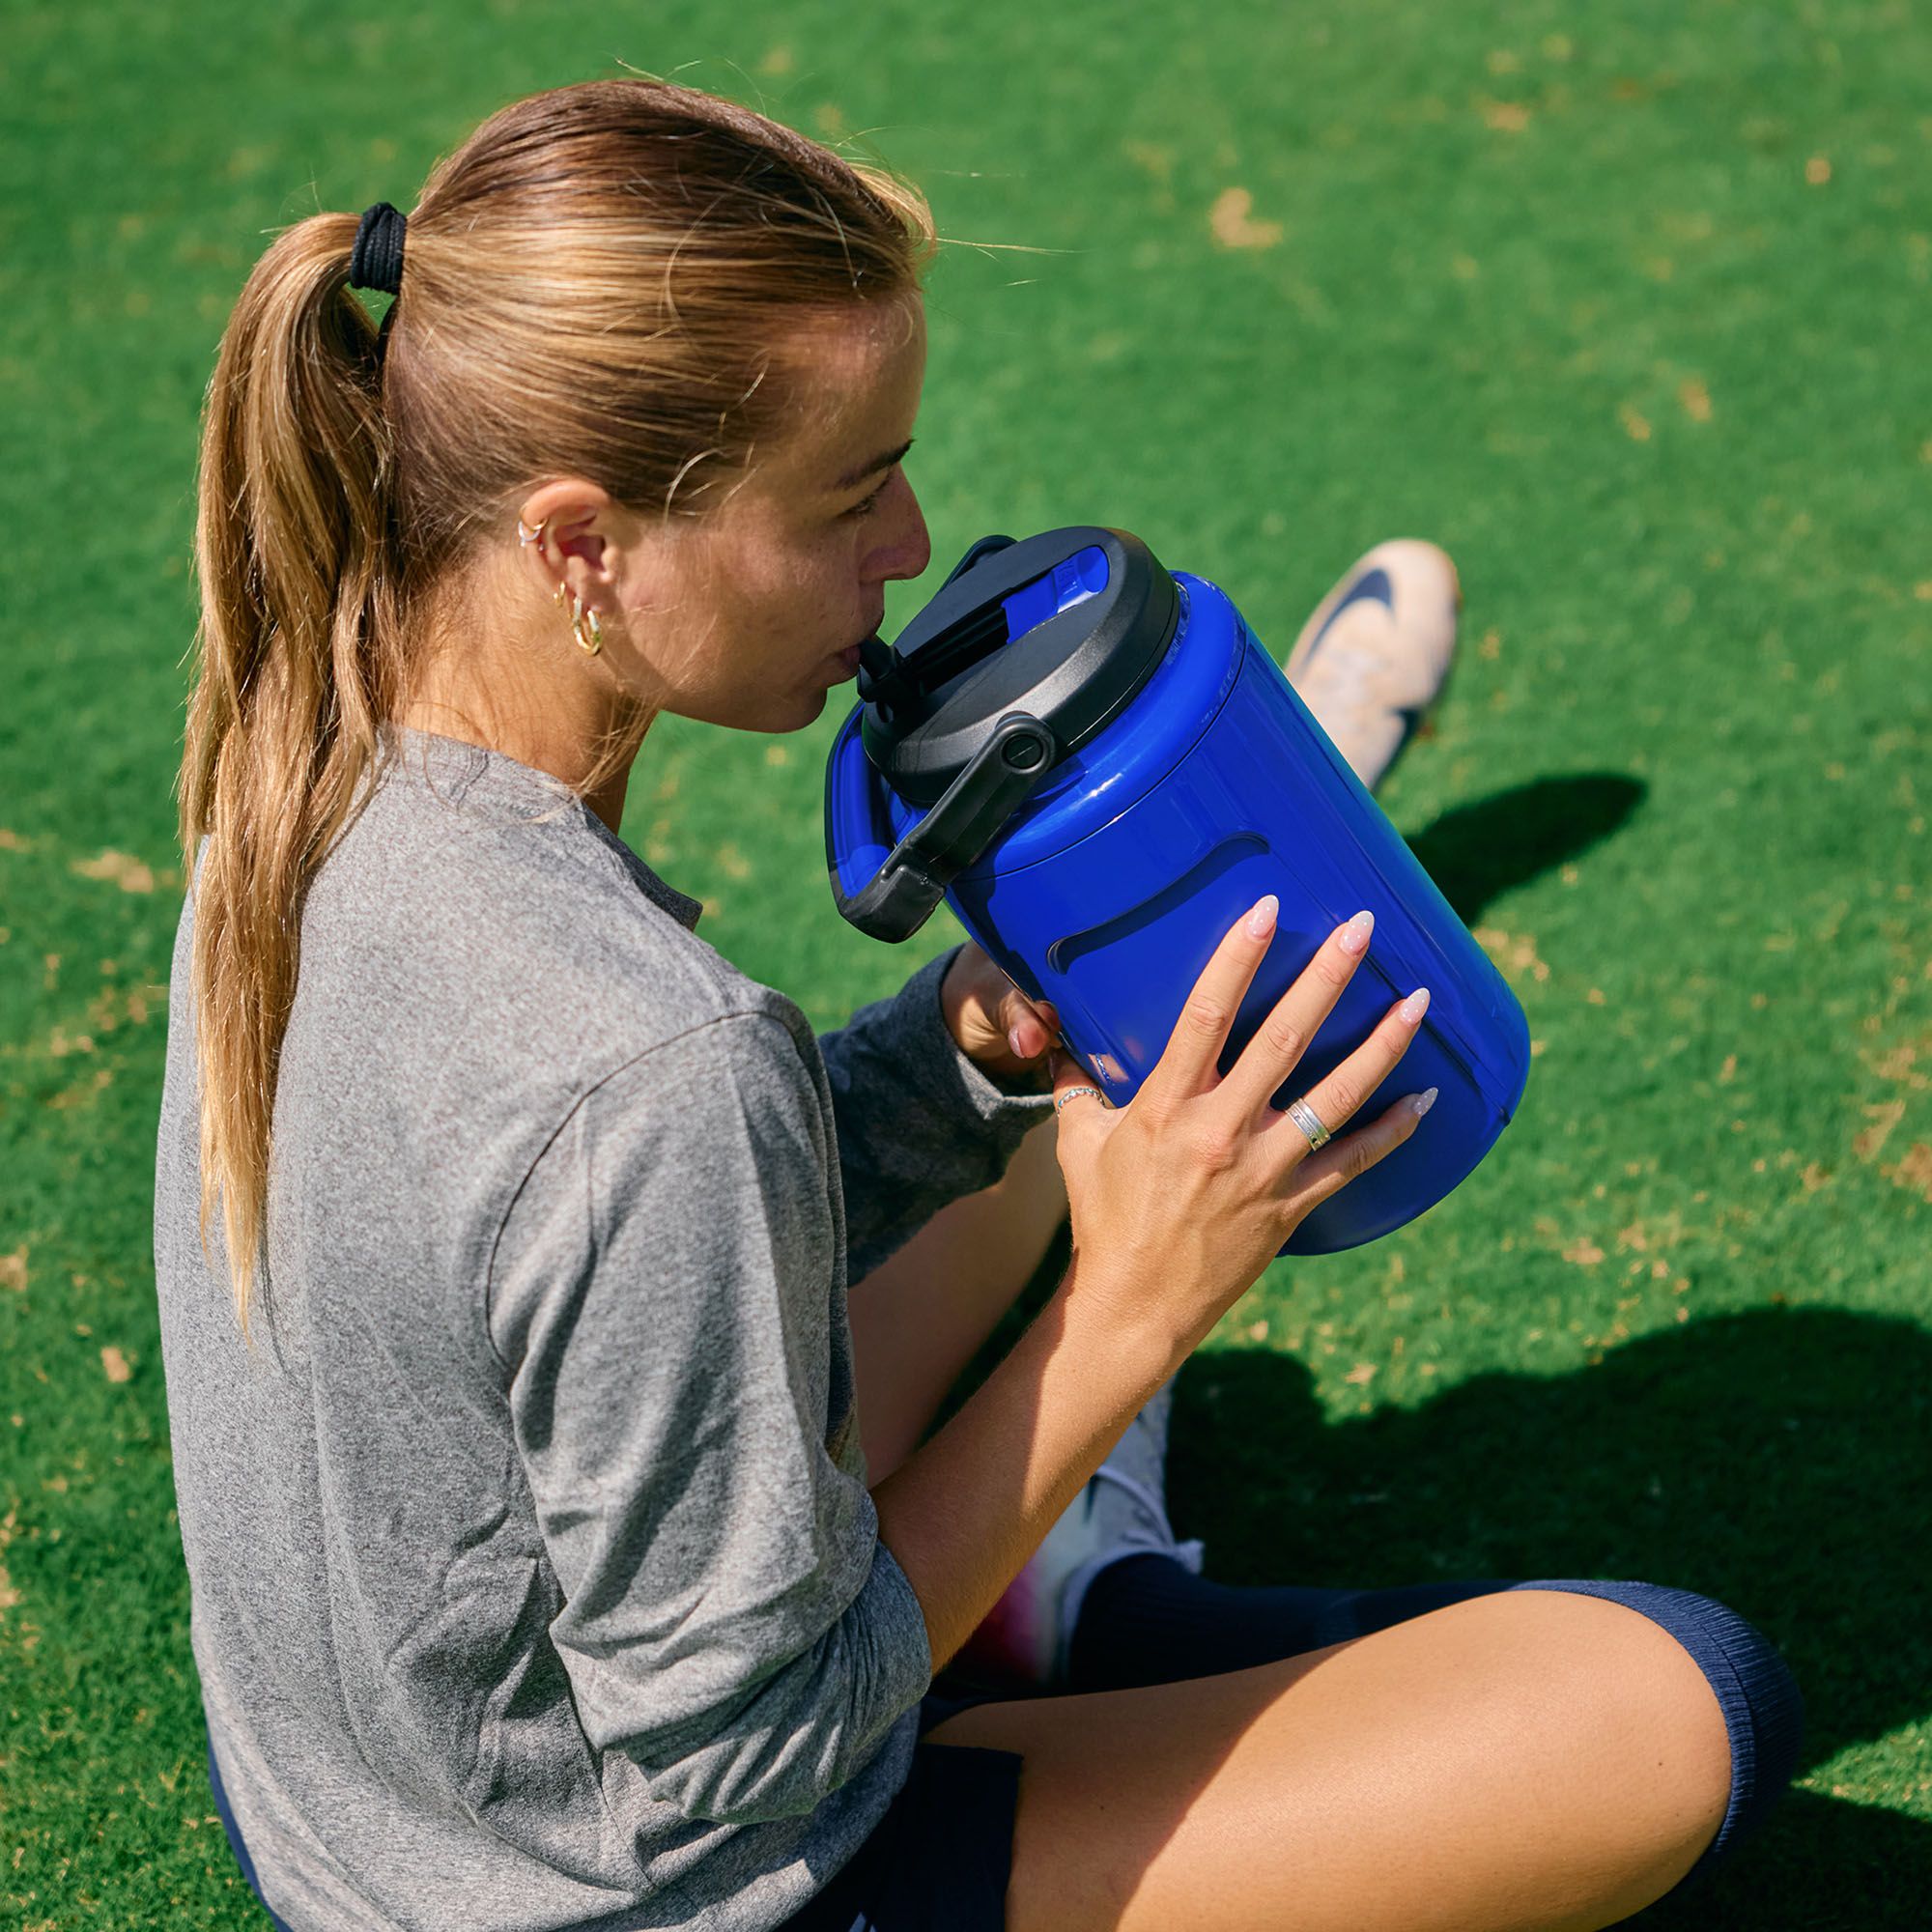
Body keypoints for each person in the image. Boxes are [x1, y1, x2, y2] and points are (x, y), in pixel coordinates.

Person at [155, 76, 1803, 1932]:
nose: (914, 542)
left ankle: (1046, 1576)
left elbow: (568, 1271)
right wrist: (1123, 1324)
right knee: (1677, 1704)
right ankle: (1090, 1612)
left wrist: (951, 1065)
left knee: (1073, 1092)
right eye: (854, 493)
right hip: (633, 1891)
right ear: (580, 544)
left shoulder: (303, 759)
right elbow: (745, 1768)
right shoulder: (649, 1068)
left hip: (363, 1799)